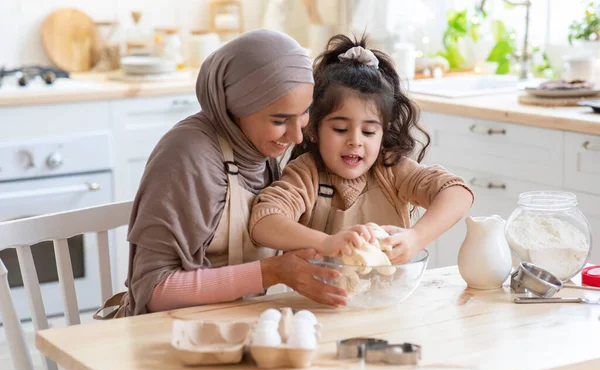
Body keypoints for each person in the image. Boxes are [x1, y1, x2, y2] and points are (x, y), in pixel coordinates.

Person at [95, 29, 348, 319]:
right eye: (279, 120)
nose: (296, 136)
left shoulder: (261, 151)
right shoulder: (188, 156)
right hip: (167, 333)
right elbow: (153, 291)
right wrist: (272, 272)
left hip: (235, 324)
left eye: (303, 113)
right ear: (235, 109)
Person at [249, 34, 474, 264]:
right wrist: (326, 243)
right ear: (314, 130)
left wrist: (417, 237)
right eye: (340, 129)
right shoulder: (306, 174)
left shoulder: (391, 170)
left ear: (383, 133)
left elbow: (457, 191)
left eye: (368, 132)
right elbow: (263, 222)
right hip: (318, 298)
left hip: (389, 296)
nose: (355, 141)